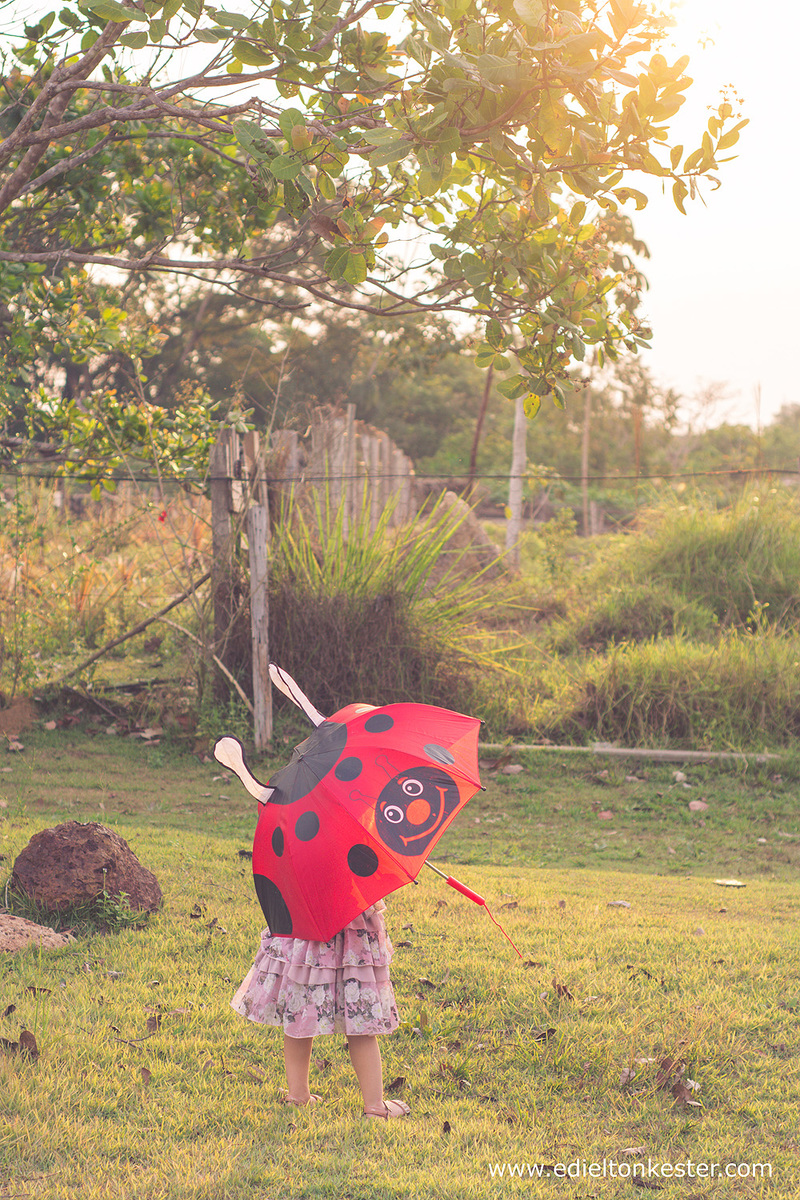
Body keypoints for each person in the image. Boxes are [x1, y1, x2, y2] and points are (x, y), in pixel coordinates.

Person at [231, 898, 410, 1119]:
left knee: (298, 1013)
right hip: (351, 924)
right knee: (360, 1018)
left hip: (303, 919)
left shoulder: (298, 881)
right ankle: (374, 1107)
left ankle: (298, 1095)